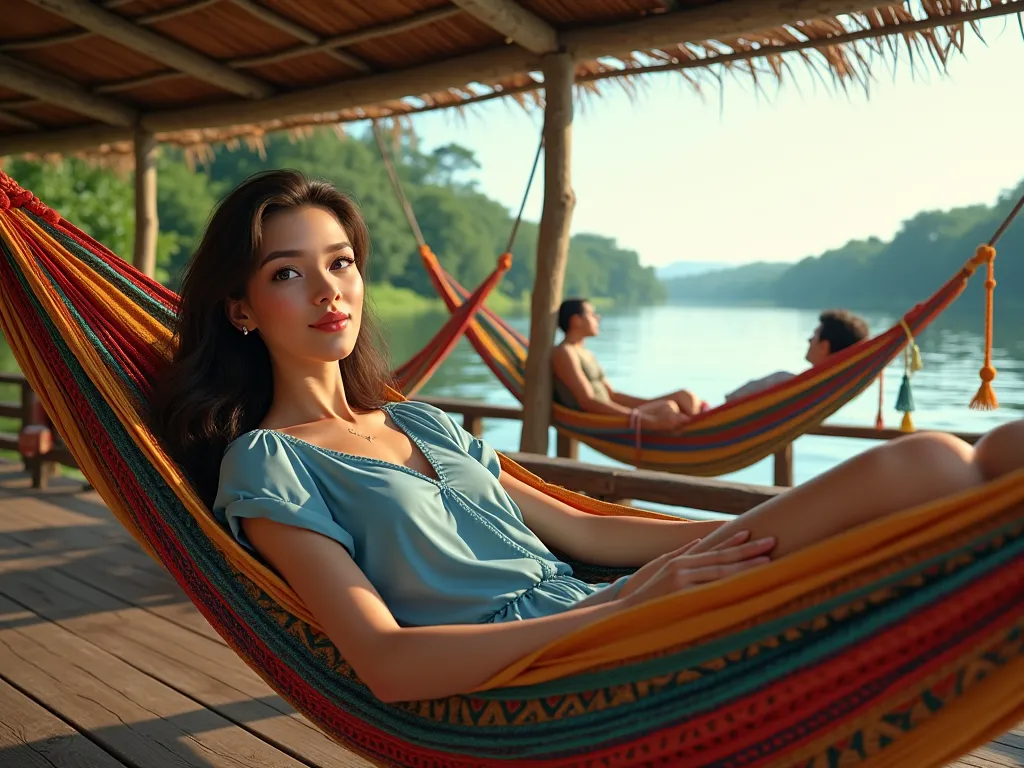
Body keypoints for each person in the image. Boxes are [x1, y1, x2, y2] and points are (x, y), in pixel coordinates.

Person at [151, 170, 1023, 705]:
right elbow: (385, 662)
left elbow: (590, 532)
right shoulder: (269, 463)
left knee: (948, 469)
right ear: (240, 307)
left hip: (619, 606)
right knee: (932, 464)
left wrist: (758, 533)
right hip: (566, 665)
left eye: (341, 261)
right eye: (288, 273)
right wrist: (625, 605)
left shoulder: (420, 420)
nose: (327, 290)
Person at [552, 298, 707, 431]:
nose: (597, 318)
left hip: (617, 412)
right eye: (592, 314)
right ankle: (703, 433)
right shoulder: (565, 352)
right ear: (576, 320)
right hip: (602, 420)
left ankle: (708, 426)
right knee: (667, 408)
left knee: (684, 396)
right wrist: (641, 418)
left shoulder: (586, 353)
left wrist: (647, 405)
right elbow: (587, 401)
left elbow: (612, 395)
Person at [724, 310, 869, 402]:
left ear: (824, 346)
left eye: (815, 335)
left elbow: (731, 400)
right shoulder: (828, 391)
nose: (809, 340)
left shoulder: (786, 383)